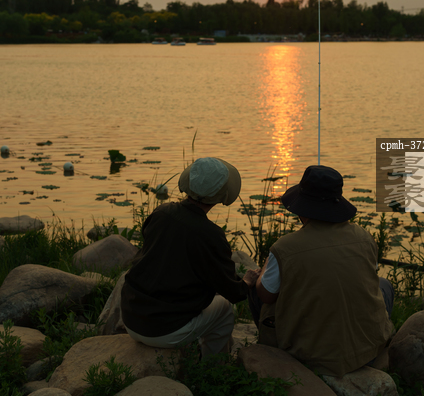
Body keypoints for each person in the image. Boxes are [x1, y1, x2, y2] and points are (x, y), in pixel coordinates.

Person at [249, 165, 394, 377]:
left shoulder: (284, 248)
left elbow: (266, 296)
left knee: (257, 288)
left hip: (308, 357)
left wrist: (263, 271)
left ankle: (275, 350)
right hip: (368, 353)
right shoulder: (365, 237)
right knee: (384, 285)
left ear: (302, 208)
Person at [121, 157, 259, 358]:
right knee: (225, 308)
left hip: (130, 317)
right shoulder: (211, 235)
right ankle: (214, 366)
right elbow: (233, 292)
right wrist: (246, 282)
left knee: (212, 299)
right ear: (221, 195)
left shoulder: (161, 212)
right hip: (162, 331)